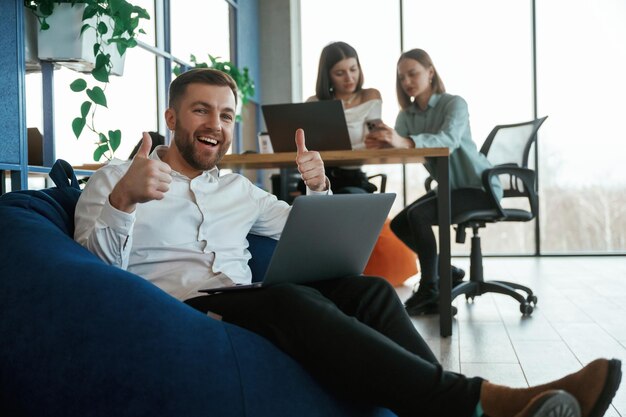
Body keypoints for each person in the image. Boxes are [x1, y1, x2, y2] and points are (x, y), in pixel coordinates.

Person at [74, 68, 621, 417]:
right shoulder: (115, 177)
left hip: (242, 300)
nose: (214, 124)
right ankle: (484, 403)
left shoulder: (237, 189)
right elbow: (90, 271)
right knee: (293, 300)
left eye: (224, 114)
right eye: (200, 110)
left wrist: (318, 188)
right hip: (177, 309)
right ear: (171, 117)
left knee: (370, 292)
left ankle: (459, 402)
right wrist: (124, 202)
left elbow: (300, 227)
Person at [364, 48, 493, 316]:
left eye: (413, 73)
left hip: (478, 188)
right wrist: (381, 141)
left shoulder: (454, 104)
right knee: (401, 223)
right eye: (402, 77)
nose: (407, 81)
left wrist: (405, 141)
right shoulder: (407, 116)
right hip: (448, 189)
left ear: (430, 72)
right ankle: (445, 272)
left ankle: (430, 288)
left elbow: (449, 140)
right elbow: (400, 148)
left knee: (419, 216)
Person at [305, 41, 382, 194]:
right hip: (318, 176)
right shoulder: (314, 103)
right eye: (340, 73)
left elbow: (376, 137)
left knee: (346, 196)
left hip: (353, 178)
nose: (349, 78)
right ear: (327, 76)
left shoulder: (370, 97)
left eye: (353, 69)